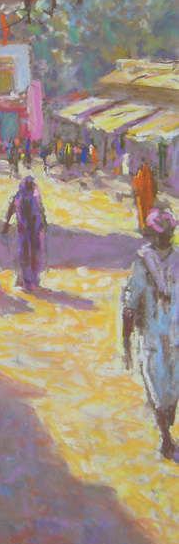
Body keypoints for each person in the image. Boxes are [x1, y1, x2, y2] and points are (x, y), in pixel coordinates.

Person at [123, 207, 179, 461]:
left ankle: (167, 419)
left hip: (175, 330)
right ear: (153, 236)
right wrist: (126, 340)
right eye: (162, 232)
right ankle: (165, 436)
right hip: (151, 332)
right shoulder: (143, 261)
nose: (166, 236)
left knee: (173, 386)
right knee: (156, 383)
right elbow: (132, 301)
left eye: (169, 232)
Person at [2, 176, 47, 293]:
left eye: (31, 185)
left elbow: (40, 209)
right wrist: (6, 225)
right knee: (25, 255)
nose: (30, 187)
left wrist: (43, 223)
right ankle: (25, 282)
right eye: (29, 185)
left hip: (35, 229)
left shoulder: (35, 195)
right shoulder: (20, 195)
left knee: (35, 255)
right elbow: (12, 208)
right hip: (25, 229)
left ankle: (33, 281)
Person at [133, 162, 156, 231]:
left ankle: (144, 226)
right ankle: (144, 226)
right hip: (144, 196)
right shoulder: (143, 175)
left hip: (145, 196)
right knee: (143, 211)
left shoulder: (144, 175)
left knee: (144, 211)